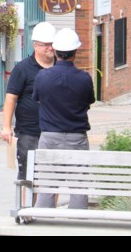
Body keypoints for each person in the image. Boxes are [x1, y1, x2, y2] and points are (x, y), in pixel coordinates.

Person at [32, 27, 96, 209]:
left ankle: (43, 220)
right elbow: (89, 101)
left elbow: (37, 99)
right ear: (75, 52)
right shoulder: (84, 78)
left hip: (50, 136)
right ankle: (78, 222)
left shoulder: (42, 76)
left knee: (48, 182)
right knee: (78, 185)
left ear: (56, 51)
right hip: (77, 136)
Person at [1, 21, 56, 183]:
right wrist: (6, 127)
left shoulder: (60, 67)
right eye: (46, 45)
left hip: (54, 131)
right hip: (29, 131)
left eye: (52, 44)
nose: (50, 48)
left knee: (52, 177)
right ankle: (28, 208)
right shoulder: (23, 69)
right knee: (29, 178)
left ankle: (49, 208)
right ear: (35, 46)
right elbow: (11, 97)